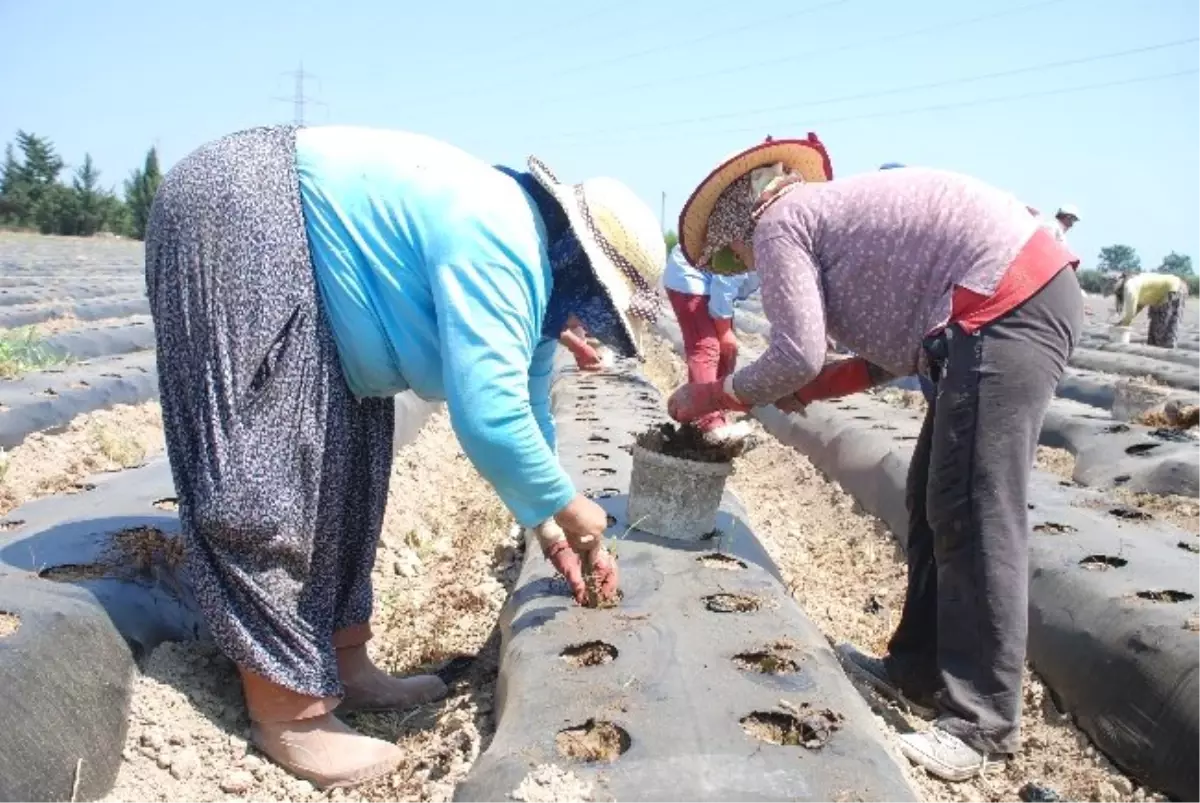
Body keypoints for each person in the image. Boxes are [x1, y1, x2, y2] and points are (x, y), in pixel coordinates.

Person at [145, 124, 667, 789]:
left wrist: (546, 519)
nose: (594, 321)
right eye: (600, 302)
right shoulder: (501, 238)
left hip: (333, 304)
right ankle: (287, 711)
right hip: (252, 213)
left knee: (352, 470)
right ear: (579, 261)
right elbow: (490, 417)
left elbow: (527, 407)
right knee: (270, 467)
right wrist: (571, 507)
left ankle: (344, 663)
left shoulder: (537, 288)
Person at [666, 141, 1082, 782]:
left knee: (974, 506)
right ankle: (915, 669)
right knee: (932, 494)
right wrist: (796, 390)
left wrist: (715, 395)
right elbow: (883, 359)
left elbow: (798, 354)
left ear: (736, 222)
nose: (740, 264)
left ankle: (983, 723)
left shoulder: (779, 225)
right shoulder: (826, 224)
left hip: (1006, 307)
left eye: (727, 254)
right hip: (993, 310)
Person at [662, 242, 760, 440]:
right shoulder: (750, 241)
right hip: (689, 278)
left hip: (710, 282)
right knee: (706, 348)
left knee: (727, 353)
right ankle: (710, 423)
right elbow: (725, 279)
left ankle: (703, 415)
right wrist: (724, 332)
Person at [1112, 270, 1190, 347]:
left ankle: (1165, 351)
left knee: (1165, 327)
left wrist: (1124, 324)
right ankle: (1155, 347)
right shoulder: (1132, 283)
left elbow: (1130, 312)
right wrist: (1124, 322)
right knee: (1155, 327)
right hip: (1161, 295)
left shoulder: (1130, 286)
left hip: (1173, 289)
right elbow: (1138, 306)